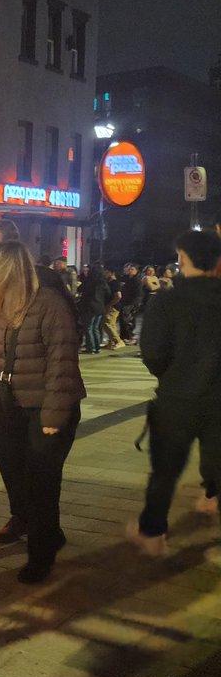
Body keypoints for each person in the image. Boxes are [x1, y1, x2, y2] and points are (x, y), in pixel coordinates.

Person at [0, 241, 84, 583]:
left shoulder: (48, 304)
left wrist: (52, 418)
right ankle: (46, 532)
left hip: (44, 406)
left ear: (5, 270)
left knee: (41, 482)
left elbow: (61, 364)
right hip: (8, 404)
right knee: (14, 474)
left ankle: (41, 554)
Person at [127, 230, 221, 556]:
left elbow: (152, 352)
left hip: (176, 400)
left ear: (182, 259)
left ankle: (153, 533)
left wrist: (173, 376)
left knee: (165, 472)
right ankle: (212, 499)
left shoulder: (167, 300)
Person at [76, 264, 111, 354]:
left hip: (89, 307)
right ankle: (97, 347)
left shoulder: (90, 282)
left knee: (88, 328)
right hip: (100, 307)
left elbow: (80, 289)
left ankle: (91, 348)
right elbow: (108, 294)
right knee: (95, 328)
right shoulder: (103, 283)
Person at [101, 268, 123, 350]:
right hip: (110, 305)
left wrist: (110, 304)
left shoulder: (115, 283)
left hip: (113, 306)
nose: (105, 274)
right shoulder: (109, 282)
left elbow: (118, 296)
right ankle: (111, 342)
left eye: (107, 272)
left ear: (112, 273)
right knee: (111, 324)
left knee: (107, 323)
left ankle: (118, 341)